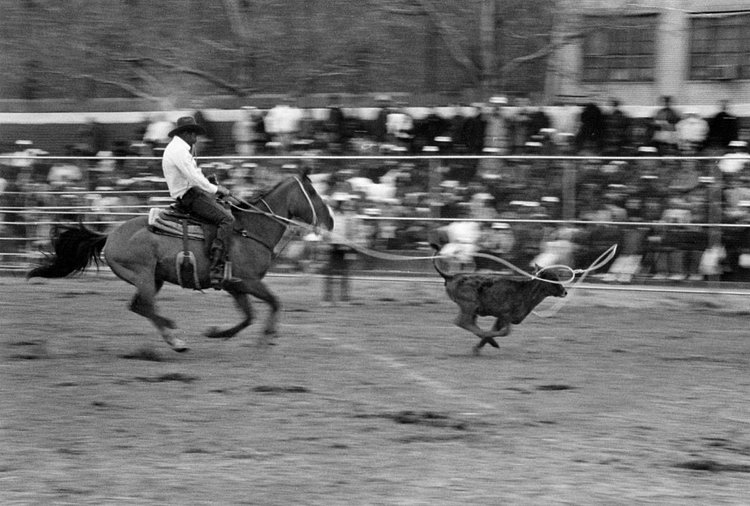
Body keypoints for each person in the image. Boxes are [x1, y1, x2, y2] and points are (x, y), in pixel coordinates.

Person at [161, 116, 236, 289]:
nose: (196, 138)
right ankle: (216, 268)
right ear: (186, 133)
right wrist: (217, 190)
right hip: (189, 196)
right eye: (194, 134)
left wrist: (209, 183)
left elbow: (195, 173)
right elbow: (194, 177)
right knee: (227, 220)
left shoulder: (179, 148)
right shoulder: (179, 151)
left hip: (191, 192)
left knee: (225, 210)